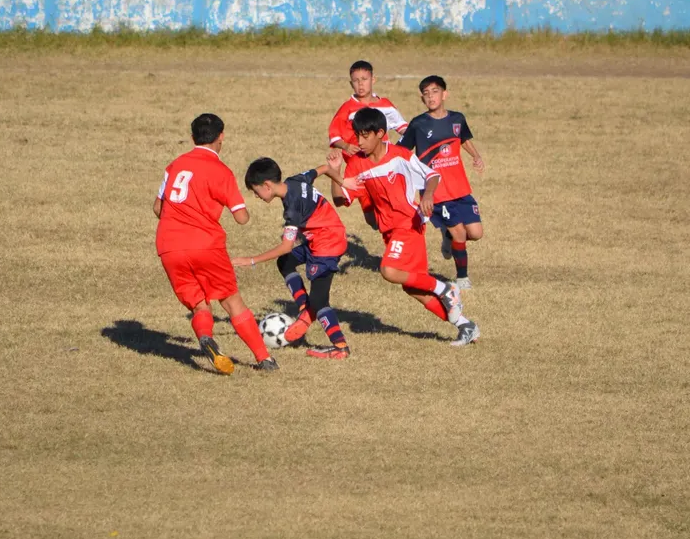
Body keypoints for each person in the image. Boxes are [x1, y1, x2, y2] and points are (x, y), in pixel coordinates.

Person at [331, 107, 480, 346]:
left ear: (380, 133)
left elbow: (432, 176)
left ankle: (445, 288)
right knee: (413, 288)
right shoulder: (357, 164)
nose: (359, 141)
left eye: (364, 135)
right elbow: (341, 199)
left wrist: (428, 196)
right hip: (389, 231)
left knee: (389, 271)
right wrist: (335, 173)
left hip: (408, 224)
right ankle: (465, 326)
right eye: (357, 135)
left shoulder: (400, 155)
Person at [154, 113, 279, 374]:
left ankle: (206, 338)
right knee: (232, 302)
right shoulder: (220, 171)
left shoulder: (174, 165)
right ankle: (264, 358)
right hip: (204, 244)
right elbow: (241, 218)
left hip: (168, 246)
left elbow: (158, 208)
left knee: (199, 303)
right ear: (221, 137)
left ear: (192, 138)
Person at [232, 158, 352, 360]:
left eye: (256, 190)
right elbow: (323, 168)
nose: (256, 196)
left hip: (327, 245)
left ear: (267, 185)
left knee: (320, 301)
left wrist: (251, 260)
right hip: (322, 239)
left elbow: (286, 245)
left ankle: (339, 346)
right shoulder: (295, 180)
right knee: (285, 262)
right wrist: (342, 180)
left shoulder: (292, 208)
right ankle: (306, 307)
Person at [399, 75, 485, 289]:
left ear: (445, 94)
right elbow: (401, 152)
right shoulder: (418, 124)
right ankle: (462, 277)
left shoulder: (457, 118)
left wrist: (476, 156)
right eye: (426, 94)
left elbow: (463, 139)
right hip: (436, 191)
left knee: (475, 233)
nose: (431, 97)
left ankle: (447, 236)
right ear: (422, 99)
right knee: (460, 234)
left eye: (435, 92)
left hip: (460, 188)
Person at [327, 60, 409, 230]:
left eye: (364, 79)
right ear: (351, 83)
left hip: (385, 165)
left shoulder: (385, 105)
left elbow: (403, 128)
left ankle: (399, 239)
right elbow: (334, 135)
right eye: (356, 81)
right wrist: (346, 146)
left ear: (373, 80)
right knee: (373, 221)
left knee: (394, 210)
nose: (360, 84)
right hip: (360, 169)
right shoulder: (347, 109)